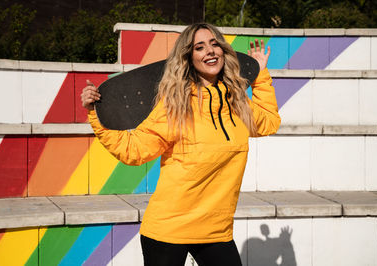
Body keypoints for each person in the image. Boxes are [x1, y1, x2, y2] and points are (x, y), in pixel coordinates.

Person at [81, 23, 280, 266]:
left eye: (214, 44)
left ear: (223, 51)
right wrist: (96, 115)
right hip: (168, 229)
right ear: (189, 58)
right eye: (199, 47)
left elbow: (268, 122)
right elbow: (134, 150)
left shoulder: (236, 103)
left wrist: (260, 76)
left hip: (215, 230)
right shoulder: (175, 106)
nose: (210, 51)